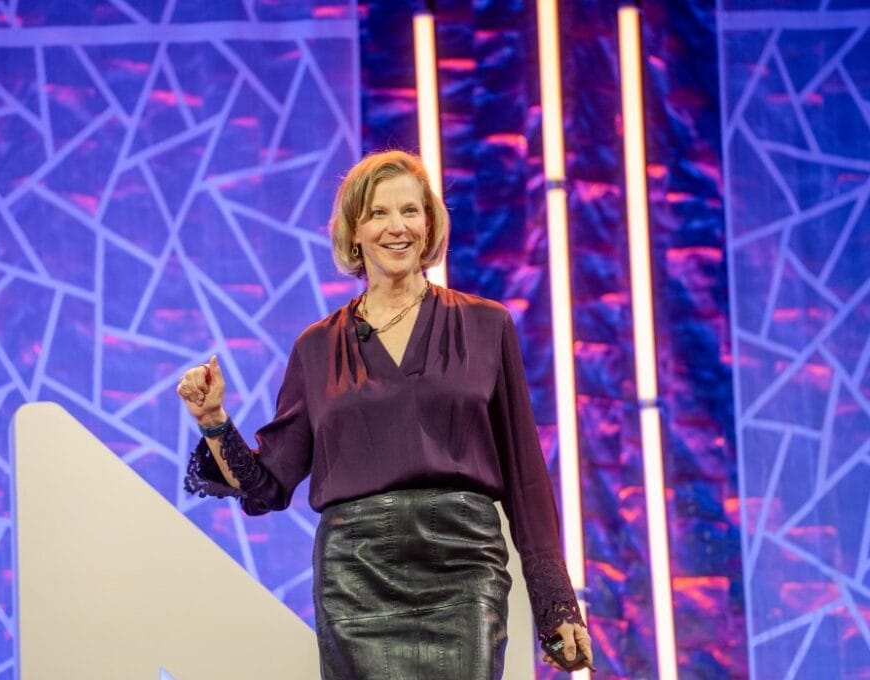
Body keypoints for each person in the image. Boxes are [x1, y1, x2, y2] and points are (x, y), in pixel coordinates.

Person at [178, 149, 592, 678]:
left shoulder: (487, 325)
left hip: (464, 571)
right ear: (354, 231)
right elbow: (268, 485)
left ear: (429, 224)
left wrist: (556, 605)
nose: (397, 227)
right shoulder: (316, 348)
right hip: (356, 579)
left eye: (410, 211)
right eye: (378, 213)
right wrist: (213, 419)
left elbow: (525, 477)